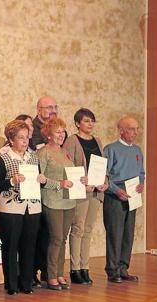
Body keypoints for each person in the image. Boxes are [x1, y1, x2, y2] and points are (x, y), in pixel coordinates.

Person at [0, 120, 44, 295]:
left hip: (33, 208)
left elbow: (38, 183)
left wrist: (41, 181)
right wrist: (12, 181)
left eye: (26, 137)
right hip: (11, 210)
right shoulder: (3, 159)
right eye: (20, 138)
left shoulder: (33, 158)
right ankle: (11, 284)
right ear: (11, 139)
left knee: (29, 247)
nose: (24, 141)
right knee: (11, 247)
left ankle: (26, 283)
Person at [62, 108, 108, 285]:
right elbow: (68, 167)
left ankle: (85, 267)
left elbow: (102, 165)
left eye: (92, 120)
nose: (90, 124)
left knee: (88, 230)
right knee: (78, 228)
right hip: (81, 191)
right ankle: (75, 269)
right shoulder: (72, 141)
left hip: (97, 191)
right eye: (87, 121)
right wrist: (83, 181)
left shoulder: (97, 140)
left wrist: (105, 180)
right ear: (77, 123)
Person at [38, 117, 80, 291]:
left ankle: (60, 274)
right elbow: (39, 178)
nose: (61, 135)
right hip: (52, 201)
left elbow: (71, 174)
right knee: (55, 238)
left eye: (63, 131)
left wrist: (81, 179)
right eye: (57, 132)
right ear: (48, 134)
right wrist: (59, 184)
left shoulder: (66, 152)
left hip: (68, 201)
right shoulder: (43, 153)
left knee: (62, 239)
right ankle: (50, 275)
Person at [103, 116, 145, 283]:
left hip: (132, 195)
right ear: (121, 131)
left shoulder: (137, 150)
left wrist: (142, 183)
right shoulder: (110, 149)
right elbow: (103, 176)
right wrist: (116, 190)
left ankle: (123, 268)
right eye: (131, 129)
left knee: (128, 233)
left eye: (137, 129)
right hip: (115, 196)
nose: (135, 132)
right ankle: (113, 270)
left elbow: (141, 171)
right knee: (115, 234)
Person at [31, 95, 61, 288]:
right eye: (48, 107)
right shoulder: (31, 131)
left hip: (55, 194)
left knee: (50, 236)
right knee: (38, 235)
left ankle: (47, 271)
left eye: (55, 107)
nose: (53, 110)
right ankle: (34, 271)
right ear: (39, 109)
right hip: (36, 192)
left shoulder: (59, 133)